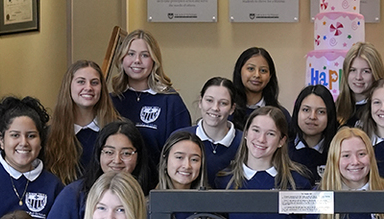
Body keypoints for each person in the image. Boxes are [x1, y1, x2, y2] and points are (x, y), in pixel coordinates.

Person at [44, 120, 150, 219]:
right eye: (109, 152)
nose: (117, 160)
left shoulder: (149, 198)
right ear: (98, 154)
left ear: (138, 156)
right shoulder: (74, 195)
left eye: (126, 153)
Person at [107, 29, 192, 165]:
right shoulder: (111, 101)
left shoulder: (170, 101)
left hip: (156, 184)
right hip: (118, 183)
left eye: (145, 55)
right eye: (131, 54)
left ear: (154, 61)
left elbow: (182, 152)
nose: (137, 61)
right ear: (121, 58)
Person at [45, 60, 121, 185]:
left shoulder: (117, 130)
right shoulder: (50, 135)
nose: (88, 88)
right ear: (68, 86)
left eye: (94, 83)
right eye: (81, 82)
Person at [178, 77, 242, 180]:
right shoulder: (180, 138)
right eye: (209, 100)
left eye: (223, 103)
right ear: (200, 102)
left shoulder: (245, 142)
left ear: (232, 108)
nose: (215, 108)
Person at [231, 47, 291, 131]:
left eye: (263, 70)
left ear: (270, 76)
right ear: (239, 71)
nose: (257, 75)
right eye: (251, 69)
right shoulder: (228, 110)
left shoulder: (281, 114)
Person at [289, 85, 338, 184]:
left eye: (321, 112)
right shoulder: (282, 147)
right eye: (306, 110)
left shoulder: (339, 150)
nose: (312, 117)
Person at [335, 42, 384, 127]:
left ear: (375, 73)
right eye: (352, 70)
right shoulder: (336, 107)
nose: (358, 77)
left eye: (366, 71)